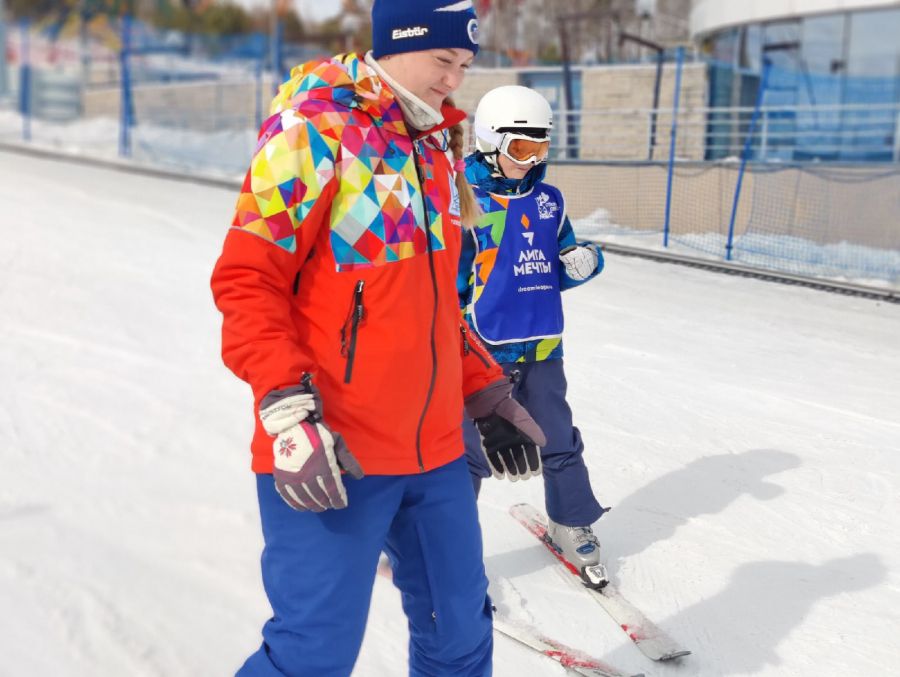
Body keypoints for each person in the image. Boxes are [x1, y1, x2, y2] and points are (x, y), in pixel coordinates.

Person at [210, 4, 547, 676]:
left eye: (465, 65)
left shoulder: (436, 147)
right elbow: (248, 280)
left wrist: (483, 390)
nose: (454, 80)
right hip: (335, 451)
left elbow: (432, 305)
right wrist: (287, 411)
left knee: (459, 630)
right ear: (397, 43)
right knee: (312, 653)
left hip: (435, 452)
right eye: (443, 61)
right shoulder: (312, 132)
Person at [457, 85, 610, 588]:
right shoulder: (465, 200)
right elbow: (451, 284)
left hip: (543, 344)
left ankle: (571, 521)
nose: (532, 160)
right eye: (521, 148)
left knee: (558, 439)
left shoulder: (549, 201)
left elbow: (555, 265)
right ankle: (441, 543)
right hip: (482, 352)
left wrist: (583, 263)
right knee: (466, 453)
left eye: (540, 147)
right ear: (489, 143)